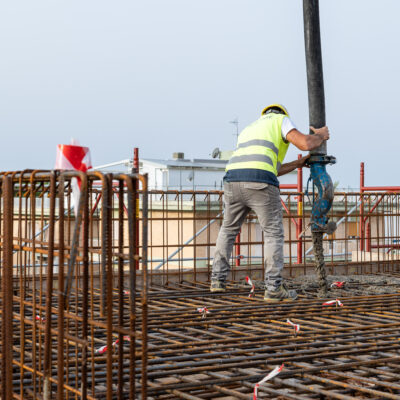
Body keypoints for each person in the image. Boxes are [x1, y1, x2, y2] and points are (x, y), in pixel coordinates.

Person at [210, 104, 330, 301]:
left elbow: (271, 168)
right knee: (273, 232)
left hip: (232, 180)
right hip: (260, 183)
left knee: (228, 230)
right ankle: (274, 287)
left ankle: (217, 280)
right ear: (283, 114)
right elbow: (304, 143)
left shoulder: (250, 128)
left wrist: (299, 163)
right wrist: (321, 136)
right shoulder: (280, 120)